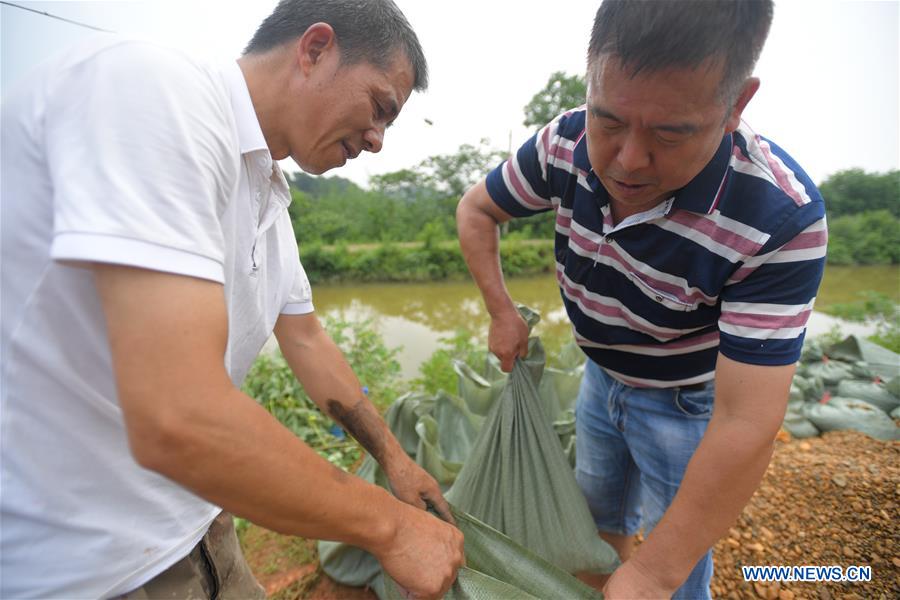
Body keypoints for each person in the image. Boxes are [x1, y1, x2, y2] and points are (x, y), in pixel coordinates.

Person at [0, 1, 465, 598]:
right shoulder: (152, 91)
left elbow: (304, 337)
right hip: (88, 563)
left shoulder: (265, 191)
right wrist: (390, 526)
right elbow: (179, 414)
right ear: (315, 48)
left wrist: (394, 458)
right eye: (379, 108)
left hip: (201, 519)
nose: (377, 141)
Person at [456, 1, 826, 598]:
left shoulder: (778, 218)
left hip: (687, 406)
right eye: (610, 122)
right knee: (595, 526)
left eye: (670, 132)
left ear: (736, 105)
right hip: (600, 380)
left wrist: (654, 574)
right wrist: (501, 312)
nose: (627, 161)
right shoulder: (565, 142)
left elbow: (747, 419)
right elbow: (477, 210)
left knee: (674, 568)